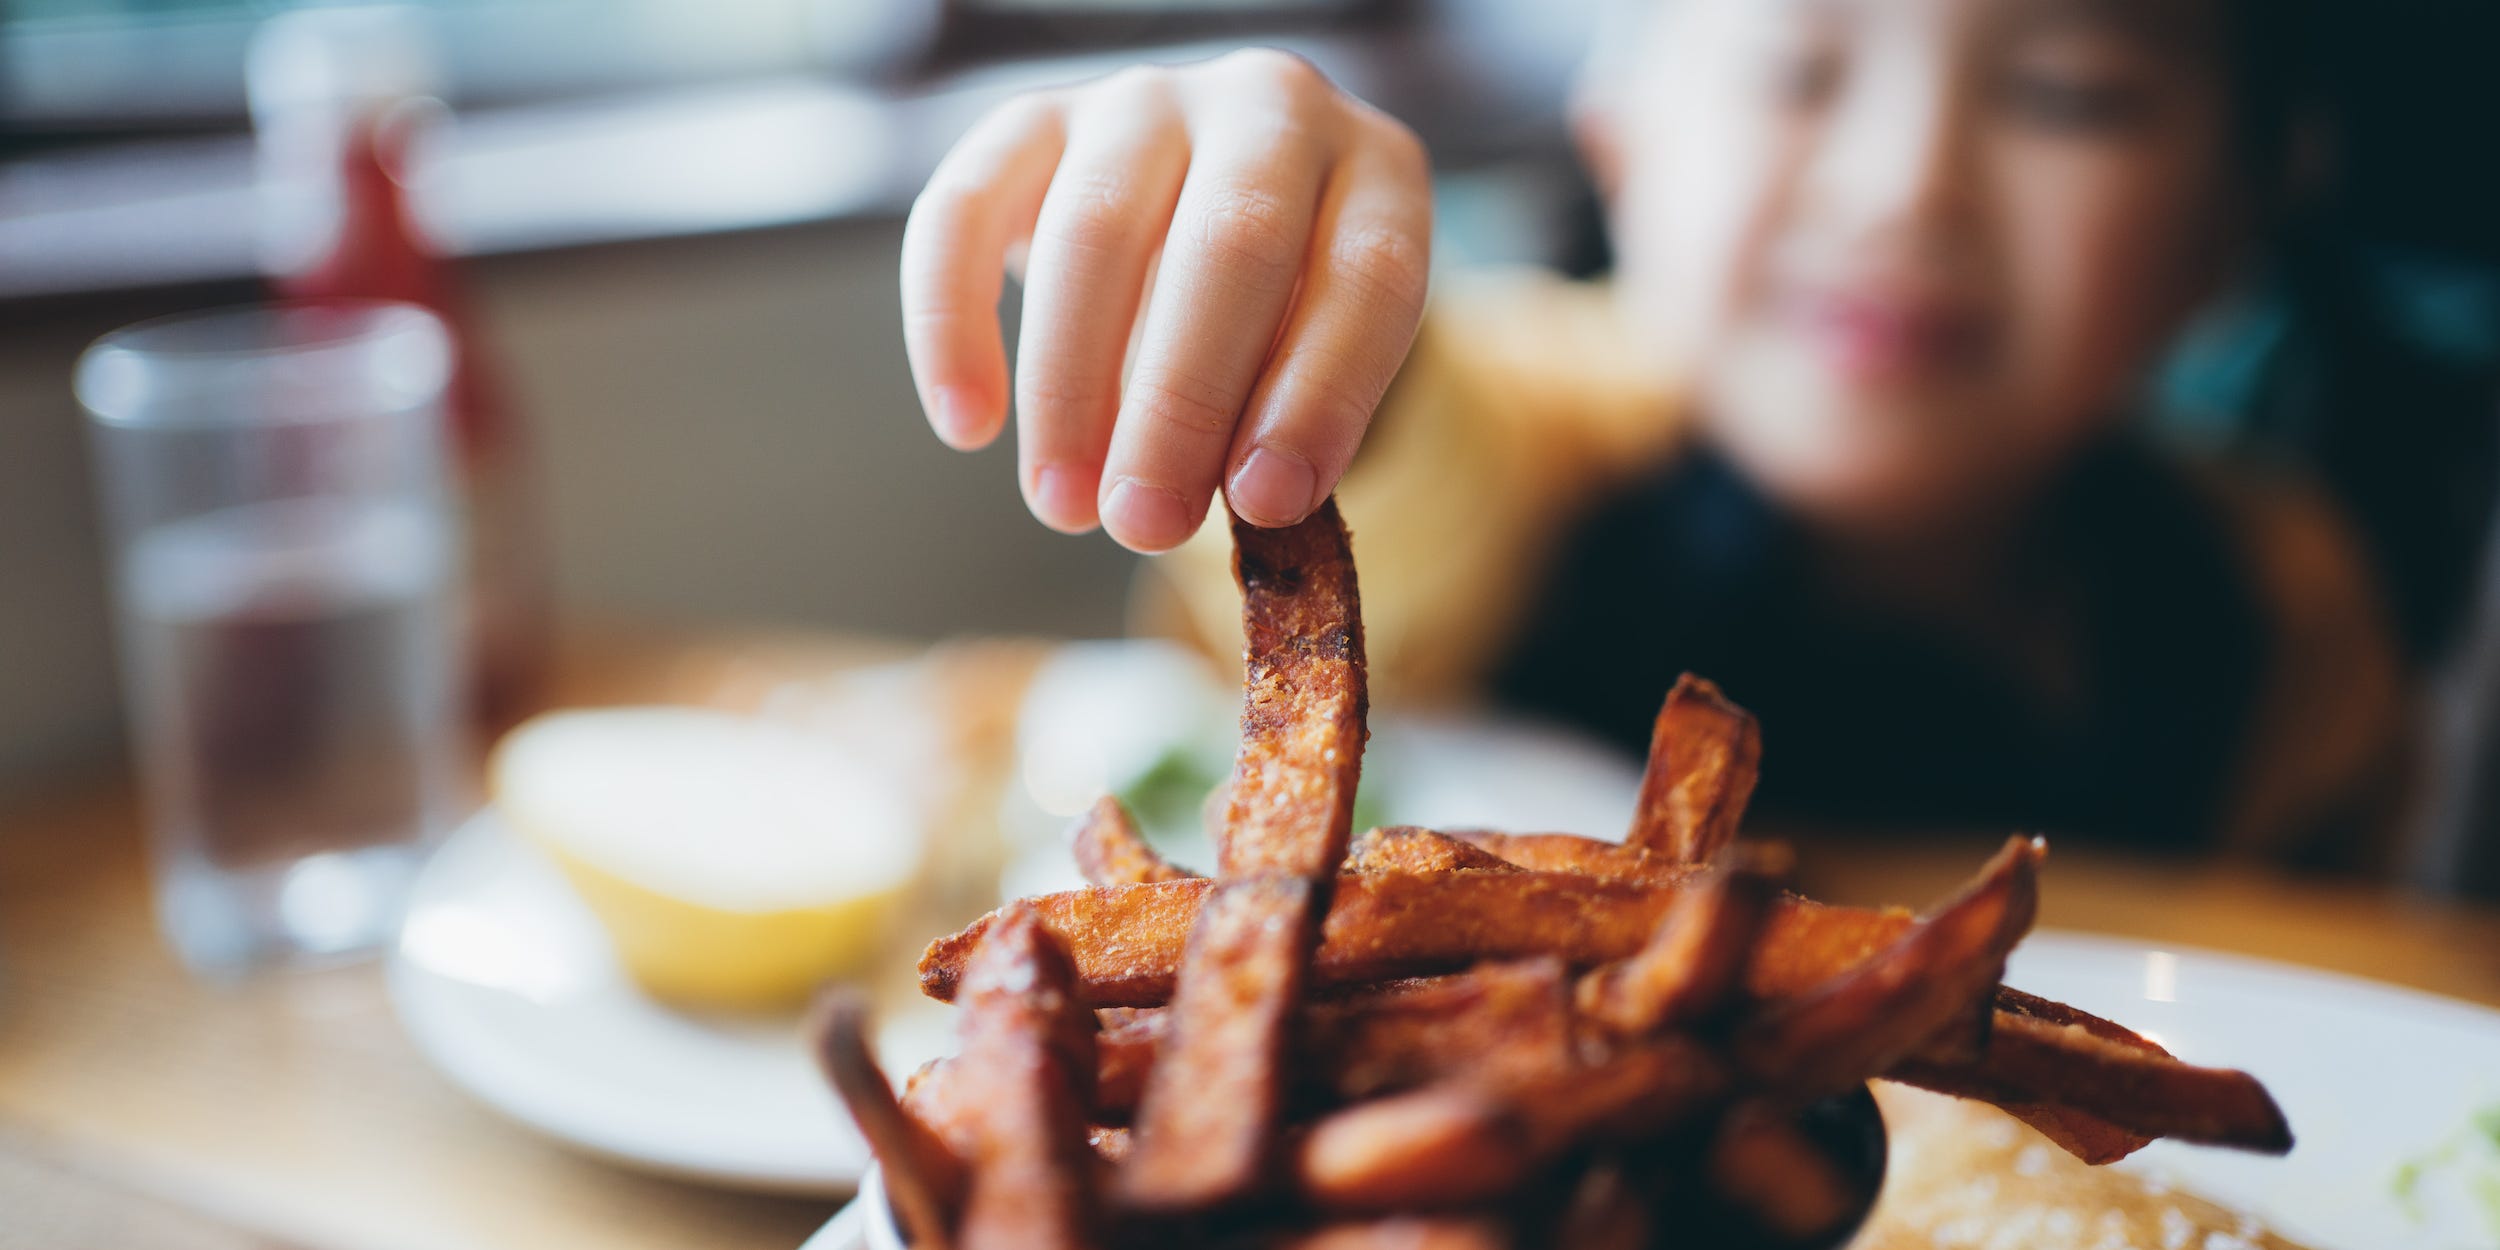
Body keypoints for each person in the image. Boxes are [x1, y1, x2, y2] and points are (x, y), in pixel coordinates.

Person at [895, 0, 2423, 866]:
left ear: (2235, 218)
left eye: (2069, 94)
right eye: (1797, 67)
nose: (1906, 184)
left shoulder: (2283, 603)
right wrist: (1294, 282)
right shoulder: (1559, 428)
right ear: (1621, 141)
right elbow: (1413, 445)